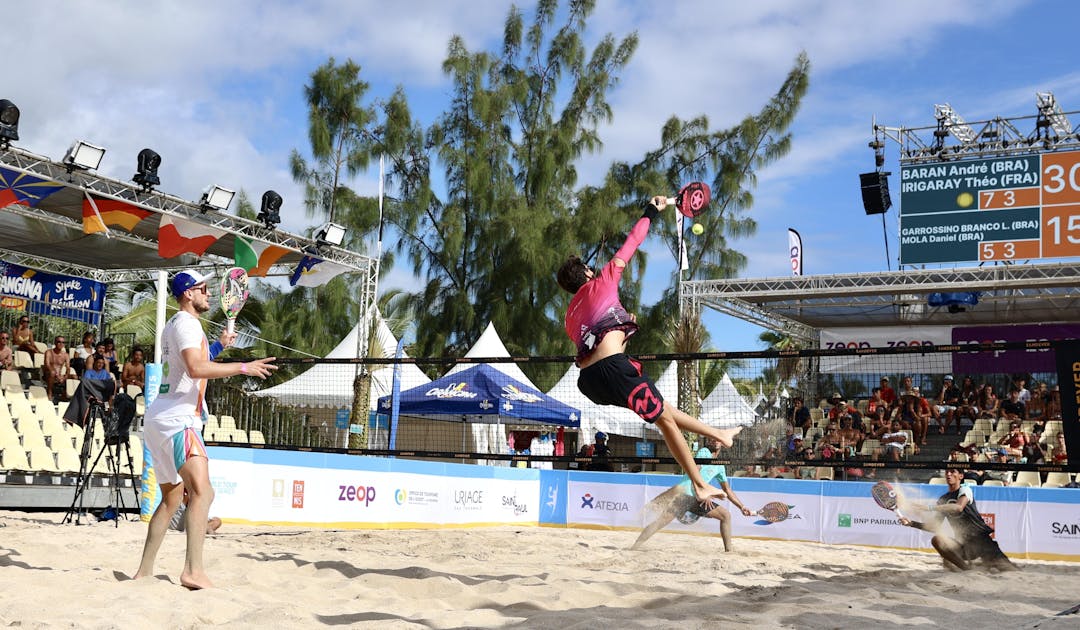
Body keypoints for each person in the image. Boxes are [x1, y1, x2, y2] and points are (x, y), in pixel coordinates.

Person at [557, 196, 740, 505]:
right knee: (664, 420)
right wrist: (652, 211)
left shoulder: (569, 318)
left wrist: (624, 325)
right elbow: (633, 241)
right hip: (613, 370)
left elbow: (599, 343)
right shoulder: (603, 279)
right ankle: (699, 483)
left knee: (663, 410)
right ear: (587, 273)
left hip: (590, 382)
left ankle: (719, 434)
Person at [134, 269, 276, 590]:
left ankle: (144, 573)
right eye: (203, 289)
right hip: (179, 418)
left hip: (161, 416)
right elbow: (197, 369)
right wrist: (244, 367)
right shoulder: (187, 323)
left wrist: (218, 346)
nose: (209, 294)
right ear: (188, 294)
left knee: (171, 500)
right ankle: (193, 571)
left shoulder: (175, 324)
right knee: (203, 492)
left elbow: (192, 365)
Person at [631, 437, 753, 552]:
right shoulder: (704, 452)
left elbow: (727, 490)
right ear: (709, 441)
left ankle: (728, 552)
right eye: (713, 438)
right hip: (684, 493)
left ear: (722, 443)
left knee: (726, 516)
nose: (715, 440)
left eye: (718, 439)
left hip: (696, 498)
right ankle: (634, 547)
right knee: (661, 522)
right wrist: (704, 493)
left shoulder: (720, 466)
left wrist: (742, 507)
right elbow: (694, 472)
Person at [899, 468, 1017, 572]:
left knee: (1010, 571)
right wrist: (911, 523)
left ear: (961, 476)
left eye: (952, 472)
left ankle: (984, 564)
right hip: (964, 546)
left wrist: (928, 508)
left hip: (982, 543)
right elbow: (935, 527)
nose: (948, 474)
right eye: (947, 472)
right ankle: (968, 571)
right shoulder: (943, 499)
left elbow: (958, 508)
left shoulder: (965, 489)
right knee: (938, 540)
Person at [43, 336, 73, 401]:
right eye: (59, 342)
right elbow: (47, 365)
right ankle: (49, 392)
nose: (61, 344)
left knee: (75, 377)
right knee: (52, 372)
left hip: (59, 374)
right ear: (55, 343)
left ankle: (64, 395)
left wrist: (66, 376)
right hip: (48, 374)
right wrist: (57, 375)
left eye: (63, 342)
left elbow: (68, 367)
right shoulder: (49, 352)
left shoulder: (66, 355)